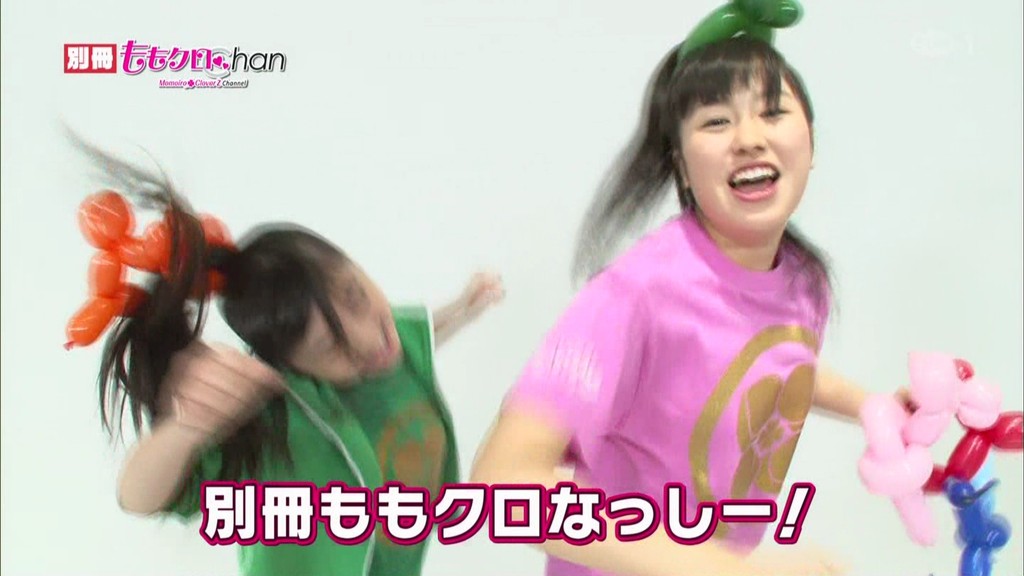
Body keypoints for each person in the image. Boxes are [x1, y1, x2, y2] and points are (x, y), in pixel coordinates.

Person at [469, 2, 879, 575]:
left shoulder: (802, 280)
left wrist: (874, 408)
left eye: (772, 112)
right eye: (716, 122)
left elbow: (762, 362)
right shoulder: (635, 296)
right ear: (682, 167)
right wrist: (734, 571)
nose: (749, 138)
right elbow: (502, 485)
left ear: (810, 142)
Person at [70, 138, 504, 576]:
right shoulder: (272, 416)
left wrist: (464, 307)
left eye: (355, 297)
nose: (370, 340)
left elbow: (420, 332)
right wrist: (184, 428)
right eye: (331, 348)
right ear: (288, 366)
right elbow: (138, 497)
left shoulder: (392, 338)